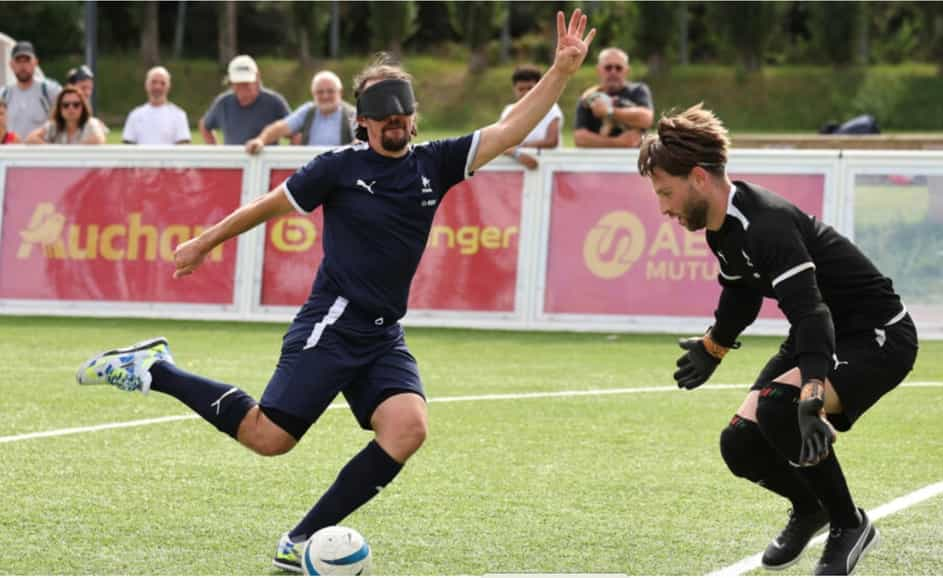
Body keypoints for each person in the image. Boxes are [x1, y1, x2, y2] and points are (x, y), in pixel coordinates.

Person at [76, 9, 596, 574]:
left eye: (403, 113)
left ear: (414, 119)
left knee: (408, 427)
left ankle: (299, 539)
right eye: (382, 115)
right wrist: (203, 243)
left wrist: (562, 72)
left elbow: (511, 128)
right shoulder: (338, 168)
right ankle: (157, 369)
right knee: (268, 439)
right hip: (333, 323)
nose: (395, 122)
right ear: (364, 124)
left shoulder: (435, 163)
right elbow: (266, 206)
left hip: (382, 333)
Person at [637, 103, 917, 576]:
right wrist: (713, 347)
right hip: (822, 331)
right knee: (740, 443)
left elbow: (812, 313)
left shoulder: (764, 223)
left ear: (699, 178)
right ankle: (812, 508)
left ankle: (849, 524)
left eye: (666, 192)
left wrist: (810, 392)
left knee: (780, 407)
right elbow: (741, 292)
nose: (663, 208)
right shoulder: (721, 228)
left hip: (877, 336)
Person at [245, 70, 355, 155]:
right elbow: (281, 127)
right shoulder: (308, 111)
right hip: (311, 170)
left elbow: (362, 141)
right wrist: (261, 140)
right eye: (320, 92)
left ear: (340, 92)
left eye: (330, 91)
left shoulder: (351, 114)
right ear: (313, 94)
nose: (325, 96)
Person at [200, 55, 290, 145]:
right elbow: (205, 125)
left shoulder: (274, 102)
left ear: (257, 78)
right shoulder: (223, 103)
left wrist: (293, 158)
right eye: (238, 83)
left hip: (266, 158)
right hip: (233, 158)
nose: (242, 88)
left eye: (246, 83)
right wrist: (217, 153)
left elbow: (296, 132)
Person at [573, 47, 653, 148]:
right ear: (598, 70)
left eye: (618, 68)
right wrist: (618, 143)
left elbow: (646, 119)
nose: (613, 72)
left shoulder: (638, 90)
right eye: (608, 67)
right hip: (599, 161)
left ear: (627, 71)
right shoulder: (588, 96)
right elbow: (580, 138)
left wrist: (609, 111)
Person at [498, 65, 563, 170]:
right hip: (517, 171)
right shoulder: (508, 111)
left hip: (547, 170)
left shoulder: (550, 108)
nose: (525, 93)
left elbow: (551, 141)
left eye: (530, 88)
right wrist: (518, 155)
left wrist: (520, 147)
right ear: (514, 89)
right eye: (521, 89)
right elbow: (499, 144)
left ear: (539, 87)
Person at [0, 41, 60, 141]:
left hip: (40, 154)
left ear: (35, 62)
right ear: (11, 64)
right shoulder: (4, 93)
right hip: (11, 153)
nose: (23, 66)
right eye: (18, 61)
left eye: (27, 60)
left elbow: (72, 110)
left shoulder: (49, 90)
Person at [122, 66, 191, 145]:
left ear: (169, 86)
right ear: (146, 85)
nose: (157, 87)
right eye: (153, 82)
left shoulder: (179, 115)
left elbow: (183, 149)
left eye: (163, 83)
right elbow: (128, 149)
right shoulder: (135, 115)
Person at [24, 85, 105, 145]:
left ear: (83, 107)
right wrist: (52, 150)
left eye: (76, 104)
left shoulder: (91, 123)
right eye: (65, 105)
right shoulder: (53, 125)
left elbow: (99, 139)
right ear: (60, 108)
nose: (71, 108)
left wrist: (70, 152)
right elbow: (30, 138)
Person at [66, 64, 109, 136]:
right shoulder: (62, 104)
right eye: (83, 88)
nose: (87, 93)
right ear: (71, 86)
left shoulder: (86, 104)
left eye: (90, 88)